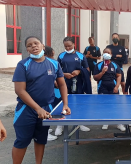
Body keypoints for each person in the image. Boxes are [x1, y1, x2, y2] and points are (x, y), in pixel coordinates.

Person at [12, 36, 71, 164]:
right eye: (29, 45)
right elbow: (20, 90)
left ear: (42, 46)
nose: (33, 46)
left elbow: (62, 85)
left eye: (36, 43)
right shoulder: (23, 65)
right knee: (22, 141)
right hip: (26, 110)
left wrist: (65, 104)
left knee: (41, 139)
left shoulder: (54, 64)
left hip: (46, 108)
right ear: (27, 49)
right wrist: (37, 108)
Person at [56, 37, 91, 135]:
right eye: (65, 46)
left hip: (78, 83)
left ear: (74, 44)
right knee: (63, 102)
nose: (67, 48)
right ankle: (60, 125)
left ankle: (79, 123)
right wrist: (64, 74)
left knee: (77, 103)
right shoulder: (61, 56)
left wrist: (79, 71)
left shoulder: (80, 55)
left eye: (69, 46)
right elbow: (57, 70)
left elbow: (87, 70)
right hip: (64, 83)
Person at [93, 48, 125, 131]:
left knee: (115, 105)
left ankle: (119, 123)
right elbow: (95, 78)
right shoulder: (99, 65)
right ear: (103, 54)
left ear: (111, 55)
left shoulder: (115, 65)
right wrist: (102, 72)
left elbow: (119, 76)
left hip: (113, 87)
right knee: (104, 105)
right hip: (102, 87)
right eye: (105, 52)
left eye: (108, 53)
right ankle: (105, 121)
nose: (106, 54)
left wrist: (117, 86)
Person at [43, 46, 59, 141]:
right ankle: (45, 133)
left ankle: (46, 130)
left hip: (50, 91)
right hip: (50, 91)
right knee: (48, 110)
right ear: (51, 53)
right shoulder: (51, 62)